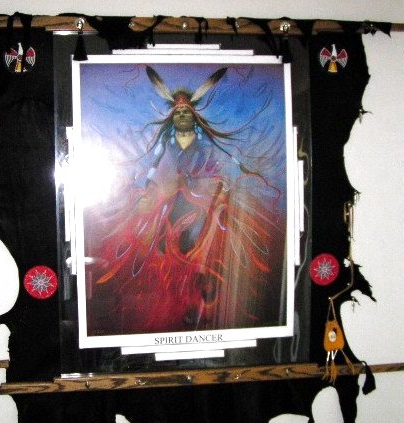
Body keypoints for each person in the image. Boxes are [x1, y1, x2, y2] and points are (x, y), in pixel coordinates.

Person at [86, 65, 285, 336]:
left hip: (200, 210)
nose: (181, 115)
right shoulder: (164, 147)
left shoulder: (205, 148)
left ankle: (198, 307)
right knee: (160, 252)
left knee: (201, 255)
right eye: (177, 112)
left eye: (186, 112)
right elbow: (151, 172)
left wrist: (209, 185)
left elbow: (218, 172)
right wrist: (147, 192)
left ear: (194, 117)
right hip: (168, 209)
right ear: (172, 118)